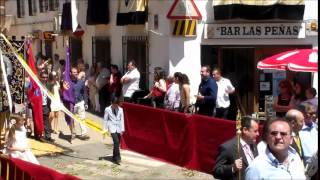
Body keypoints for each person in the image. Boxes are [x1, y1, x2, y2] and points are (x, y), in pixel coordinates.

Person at [63, 67, 90, 141]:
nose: (75, 73)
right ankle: (73, 133)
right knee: (71, 119)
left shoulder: (81, 82)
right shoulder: (67, 82)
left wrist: (86, 102)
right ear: (70, 73)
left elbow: (84, 92)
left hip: (80, 102)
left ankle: (84, 134)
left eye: (76, 72)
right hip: (72, 104)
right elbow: (64, 93)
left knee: (82, 118)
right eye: (74, 72)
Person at [103, 97, 125, 165]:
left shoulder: (120, 109)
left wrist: (122, 129)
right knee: (116, 141)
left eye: (116, 105)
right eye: (114, 104)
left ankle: (114, 156)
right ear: (111, 103)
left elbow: (122, 120)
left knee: (117, 143)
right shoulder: (107, 109)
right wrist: (105, 129)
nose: (115, 106)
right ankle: (118, 157)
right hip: (112, 127)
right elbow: (105, 120)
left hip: (118, 128)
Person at [39, 71, 54, 142]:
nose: (45, 79)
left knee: (46, 121)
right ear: (40, 77)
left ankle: (48, 136)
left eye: (46, 77)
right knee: (38, 121)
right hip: (38, 105)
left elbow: (51, 96)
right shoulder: (37, 84)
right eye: (43, 77)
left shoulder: (49, 85)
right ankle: (39, 135)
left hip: (45, 106)